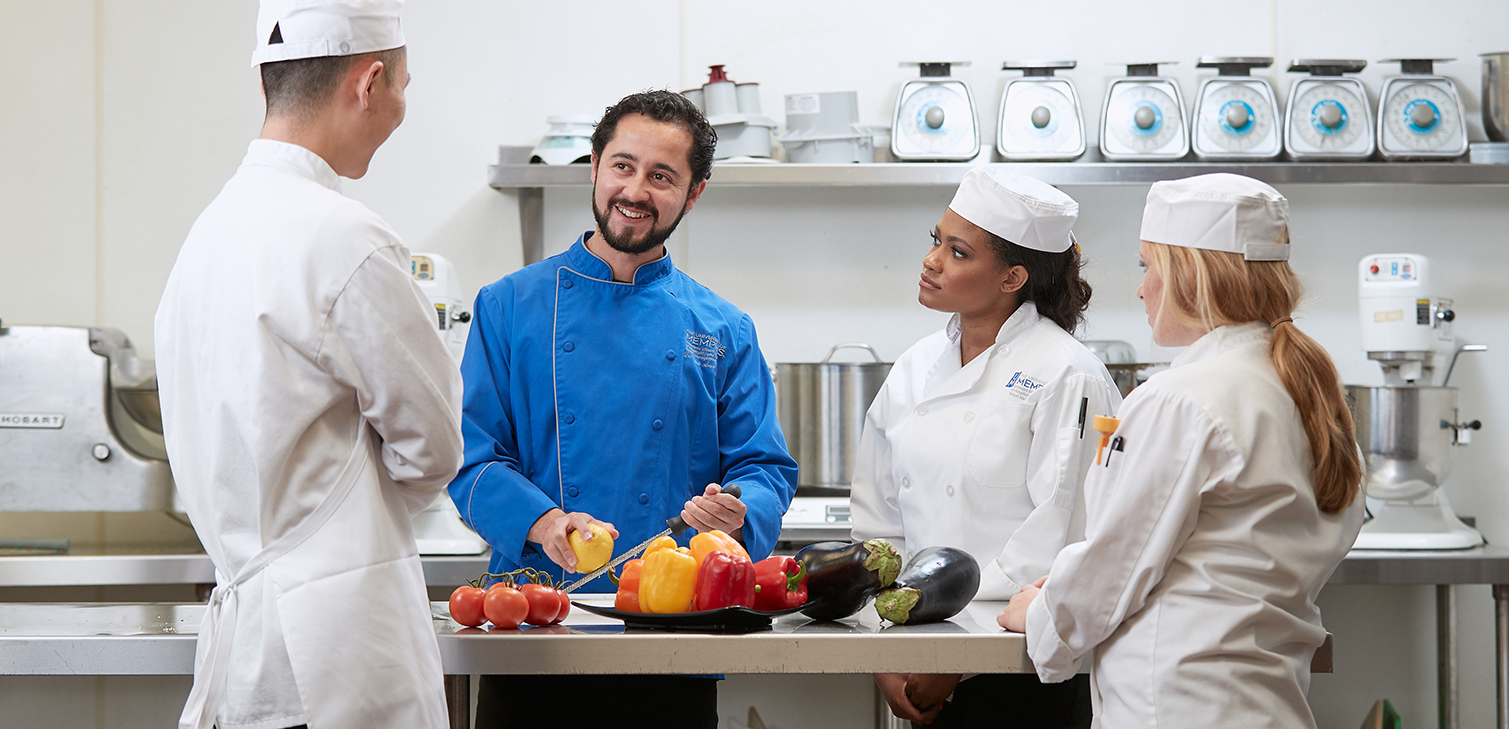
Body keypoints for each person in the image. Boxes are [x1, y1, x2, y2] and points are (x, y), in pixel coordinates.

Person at [154, 2, 460, 729]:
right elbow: (435, 448)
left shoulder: (205, 236)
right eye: (404, 88)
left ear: (268, 86)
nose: (400, 108)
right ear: (370, 81)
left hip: (246, 658)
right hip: (334, 664)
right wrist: (353, 515)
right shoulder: (346, 237)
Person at [449, 89, 797, 728]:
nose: (635, 190)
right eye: (623, 166)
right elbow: (472, 460)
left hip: (674, 633)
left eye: (662, 176)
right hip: (534, 622)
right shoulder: (508, 307)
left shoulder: (724, 326)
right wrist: (545, 523)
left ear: (692, 194)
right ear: (594, 166)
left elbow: (765, 465)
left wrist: (739, 508)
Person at [998, 173, 1365, 728]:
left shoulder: (1181, 400)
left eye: (1149, 266)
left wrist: (1043, 612)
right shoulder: (1305, 390)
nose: (1141, 288)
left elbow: (1115, 567)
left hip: (1178, 706)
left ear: (1190, 275)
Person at [849, 167, 1119, 727]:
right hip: (914, 655)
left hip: (1020, 667)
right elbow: (877, 522)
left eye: (958, 252)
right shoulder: (916, 366)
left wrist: (958, 656)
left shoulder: (1068, 373)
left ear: (1012, 277)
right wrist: (883, 650)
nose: (932, 260)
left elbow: (1062, 536)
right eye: (935, 241)